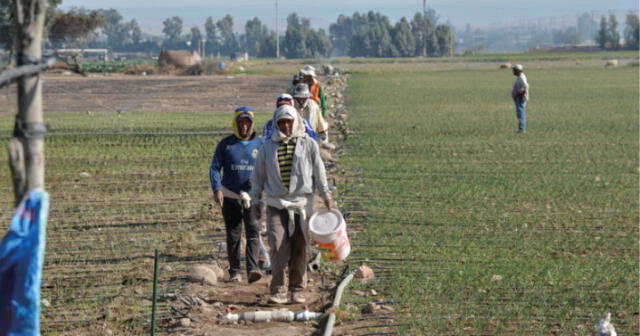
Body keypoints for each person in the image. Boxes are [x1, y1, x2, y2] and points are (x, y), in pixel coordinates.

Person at [250, 104, 333, 304]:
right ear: (277, 124)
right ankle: (278, 290)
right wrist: (255, 200)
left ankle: (297, 288)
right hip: (277, 205)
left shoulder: (308, 144)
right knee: (278, 247)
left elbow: (319, 172)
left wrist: (327, 195)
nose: (286, 126)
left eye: (289, 121)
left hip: (301, 205)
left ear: (295, 121)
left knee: (300, 246)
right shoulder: (267, 148)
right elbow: (258, 177)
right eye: (282, 122)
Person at [209, 106, 264, 283]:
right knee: (233, 234)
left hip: (253, 197)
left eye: (247, 123)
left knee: (253, 232)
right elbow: (215, 168)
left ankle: (252, 269)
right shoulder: (226, 145)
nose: (244, 127)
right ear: (235, 124)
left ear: (252, 124)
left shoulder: (261, 145)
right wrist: (217, 188)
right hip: (230, 195)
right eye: (241, 123)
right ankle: (235, 272)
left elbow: (268, 168)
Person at [511, 64, 529, 133]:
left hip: (521, 98)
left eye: (514, 70)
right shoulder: (520, 77)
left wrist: (522, 94)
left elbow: (526, 86)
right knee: (520, 114)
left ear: (518, 71)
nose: (513, 71)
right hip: (519, 98)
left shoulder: (522, 77)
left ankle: (522, 130)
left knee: (521, 114)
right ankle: (521, 129)